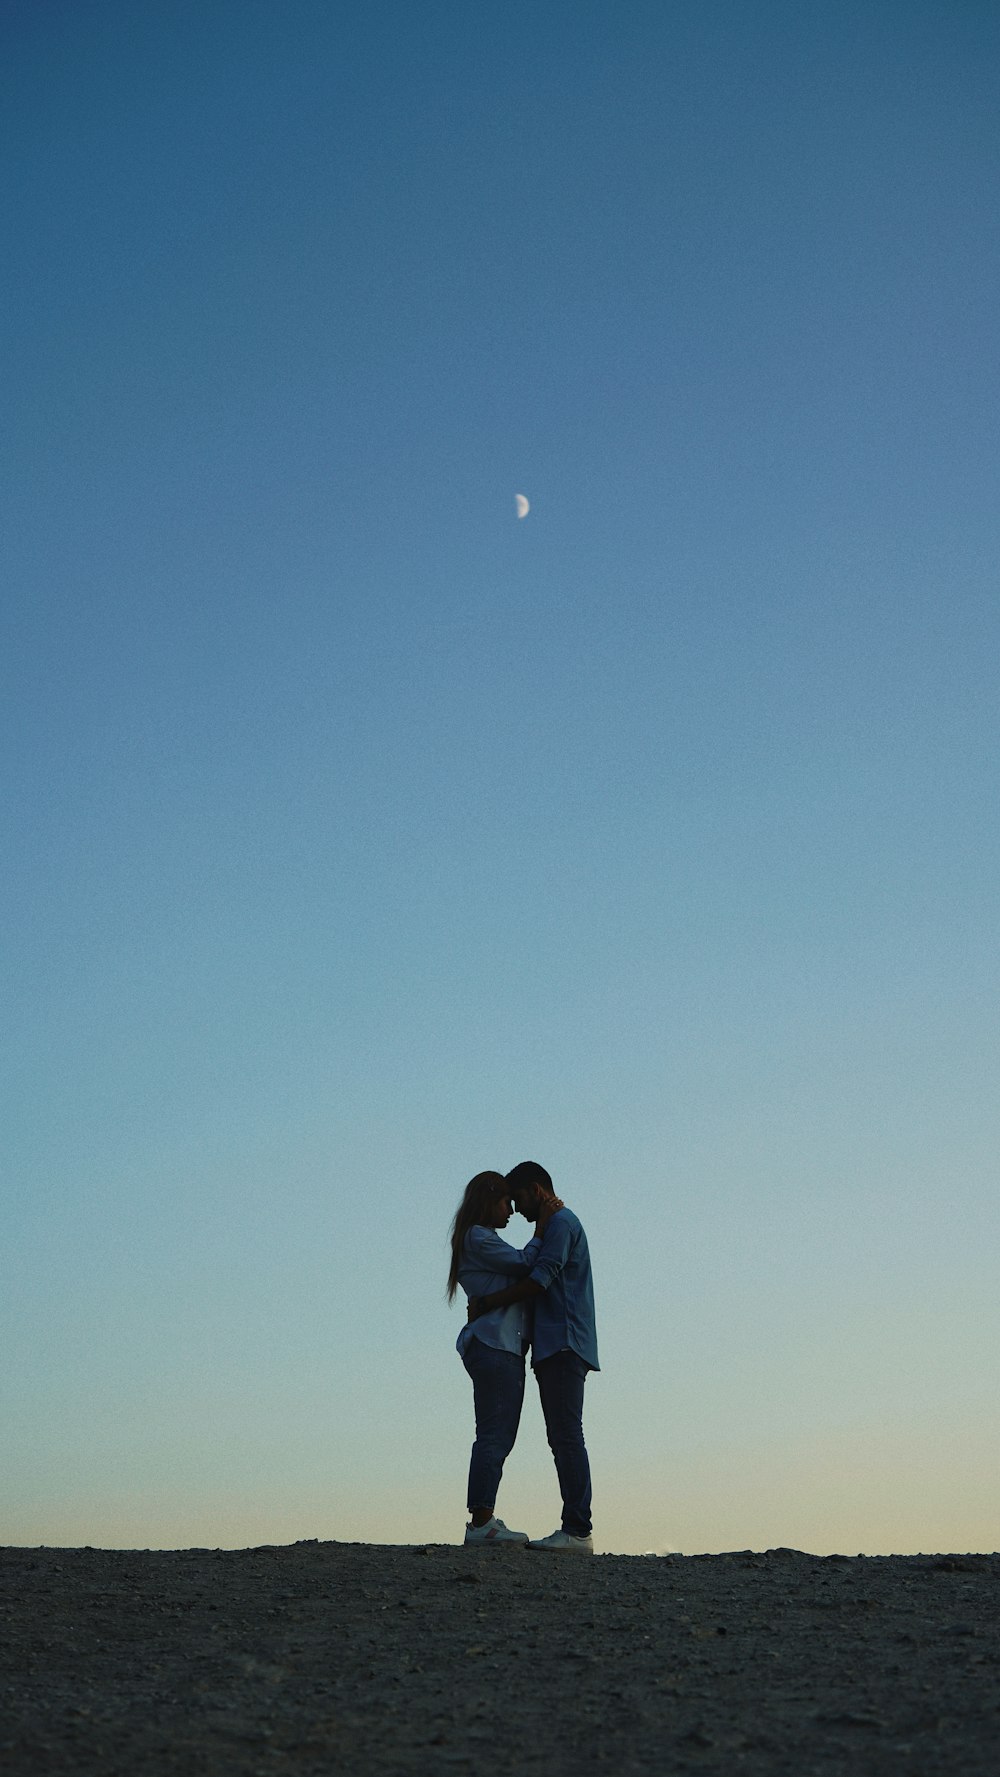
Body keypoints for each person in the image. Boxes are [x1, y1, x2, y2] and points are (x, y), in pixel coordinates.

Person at [467, 1161, 598, 1554]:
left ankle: (577, 1529)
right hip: (552, 1344)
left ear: (537, 1191)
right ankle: (574, 1528)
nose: (518, 1210)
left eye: (519, 1199)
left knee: (566, 1436)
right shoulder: (555, 1224)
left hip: (563, 1341)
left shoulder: (559, 1224)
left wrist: (488, 1302)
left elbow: (538, 1278)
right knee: (562, 1436)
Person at [447, 1170, 548, 1546]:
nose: (511, 1210)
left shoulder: (477, 1239)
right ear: (489, 1200)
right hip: (496, 1344)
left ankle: (484, 1516)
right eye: (505, 1201)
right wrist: (544, 1229)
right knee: (494, 1433)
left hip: (498, 1345)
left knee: (497, 1433)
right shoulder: (478, 1236)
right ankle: (481, 1521)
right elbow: (525, 1263)